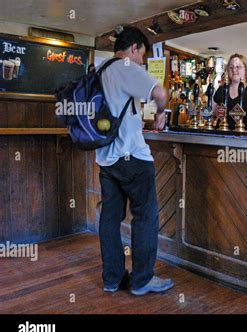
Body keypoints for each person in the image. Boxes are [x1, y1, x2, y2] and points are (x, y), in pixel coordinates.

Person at [96, 26, 174, 296]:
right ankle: (142, 280)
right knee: (145, 217)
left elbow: (112, 112)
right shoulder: (127, 66)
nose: (143, 62)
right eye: (143, 56)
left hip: (106, 160)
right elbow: (161, 94)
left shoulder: (100, 69)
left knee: (109, 219)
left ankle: (112, 279)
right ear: (134, 48)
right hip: (132, 159)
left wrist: (132, 120)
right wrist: (162, 112)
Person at [212, 53, 247, 132]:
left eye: (238, 67)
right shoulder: (221, 90)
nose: (234, 70)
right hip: (221, 139)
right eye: (231, 67)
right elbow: (211, 116)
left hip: (246, 141)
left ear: (246, 69)